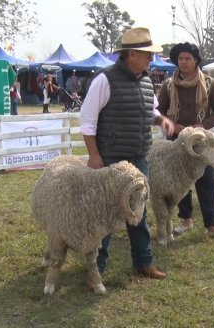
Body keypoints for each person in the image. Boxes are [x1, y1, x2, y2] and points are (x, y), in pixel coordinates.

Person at [79, 27, 174, 279]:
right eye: (147, 54)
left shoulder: (145, 80)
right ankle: (95, 268)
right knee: (105, 216)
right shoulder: (104, 79)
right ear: (131, 54)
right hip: (111, 158)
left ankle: (144, 263)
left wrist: (161, 119)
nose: (151, 59)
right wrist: (94, 156)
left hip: (139, 157)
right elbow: (87, 122)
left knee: (139, 212)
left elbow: (150, 109)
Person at [157, 42, 214, 241]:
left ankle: (212, 225)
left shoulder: (209, 83)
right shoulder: (168, 85)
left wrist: (203, 126)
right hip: (177, 139)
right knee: (179, 182)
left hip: (202, 140)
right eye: (180, 59)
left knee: (206, 180)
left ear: (196, 60)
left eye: (187, 58)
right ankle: (185, 220)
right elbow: (160, 110)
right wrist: (173, 125)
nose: (183, 62)